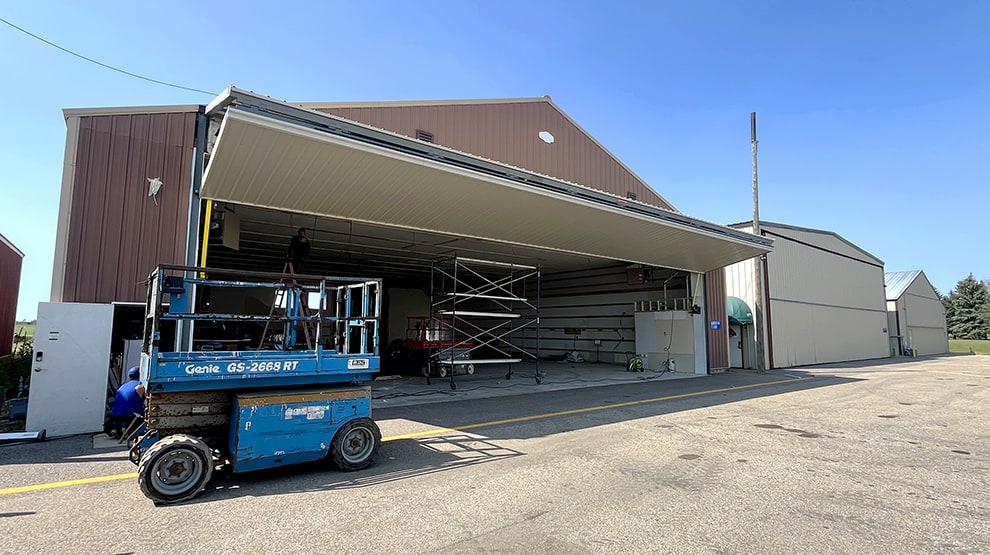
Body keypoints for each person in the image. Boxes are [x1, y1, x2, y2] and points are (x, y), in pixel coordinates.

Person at [105, 366, 146, 439]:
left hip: (114, 415)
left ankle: (119, 429)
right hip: (131, 416)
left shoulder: (122, 386)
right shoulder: (140, 386)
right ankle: (128, 431)